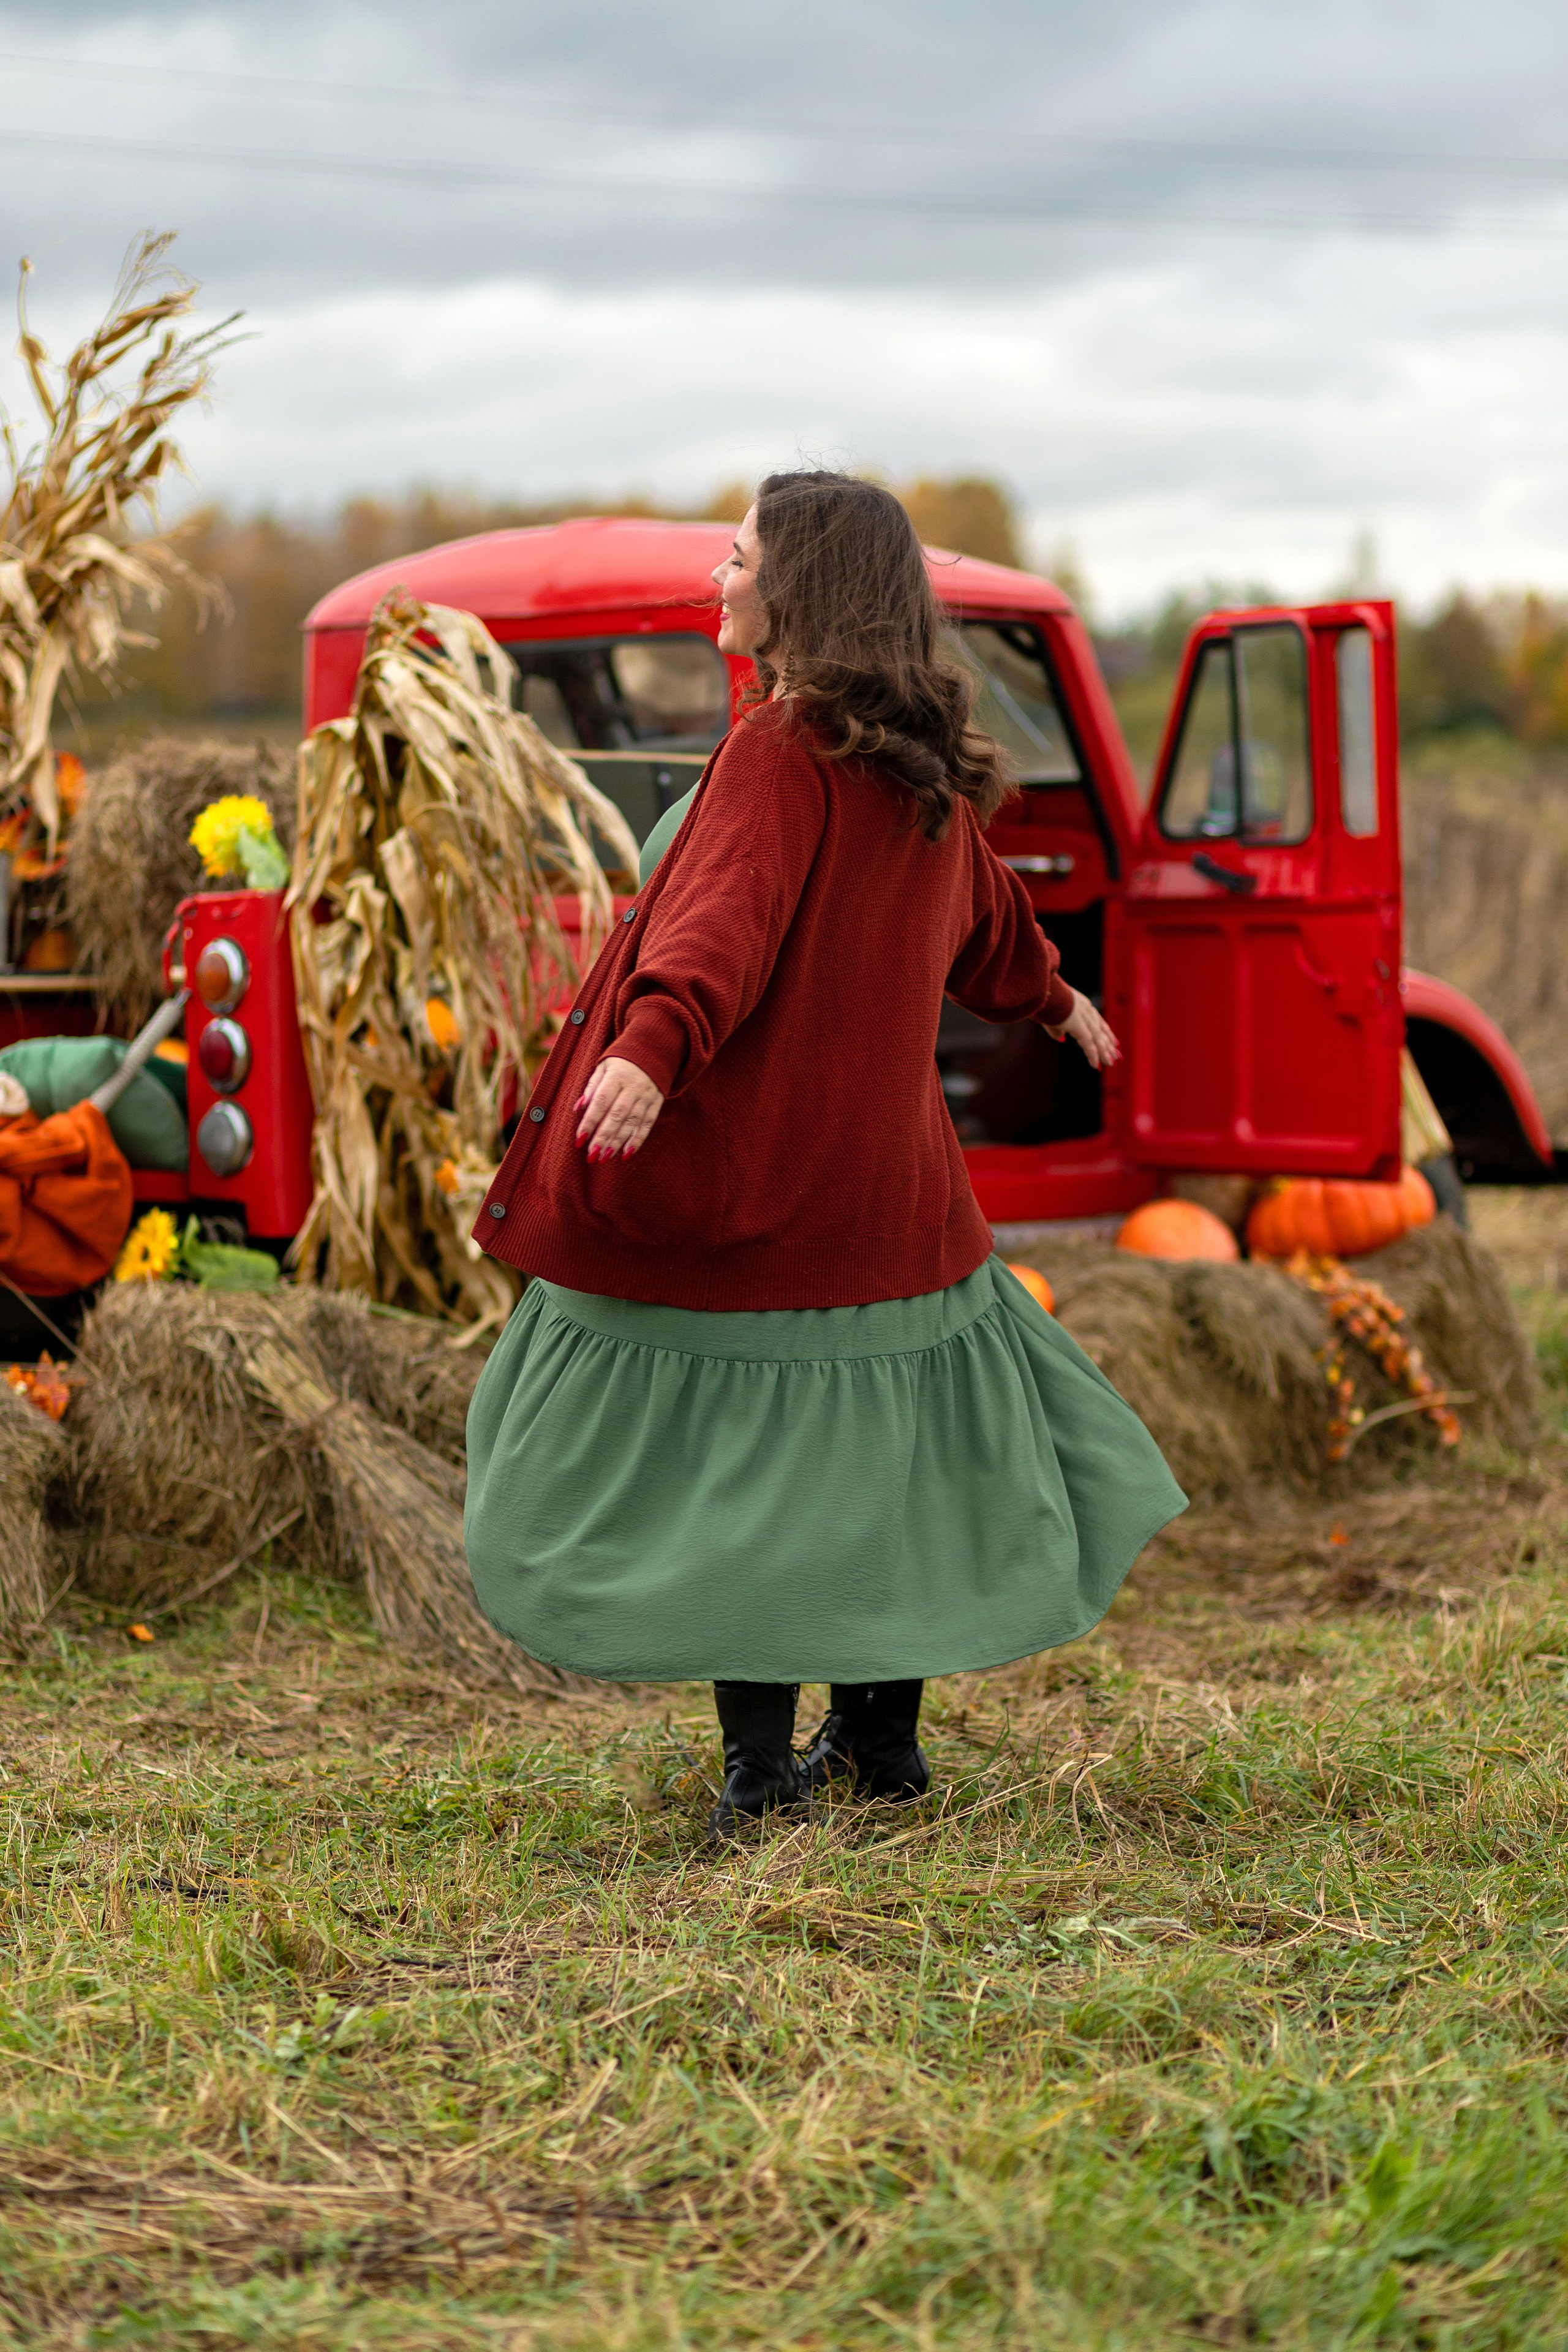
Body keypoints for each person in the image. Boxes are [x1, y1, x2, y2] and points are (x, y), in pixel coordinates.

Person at [464, 470, 1185, 1839]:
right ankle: (875, 1746)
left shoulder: (779, 748)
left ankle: (757, 1769)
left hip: (783, 1191)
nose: (713, 580)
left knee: (758, 1479)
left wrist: (651, 1044)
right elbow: (988, 923)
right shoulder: (914, 763)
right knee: (886, 1466)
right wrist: (1048, 996)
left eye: (733, 557)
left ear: (798, 590)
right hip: (897, 1199)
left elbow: (718, 924)